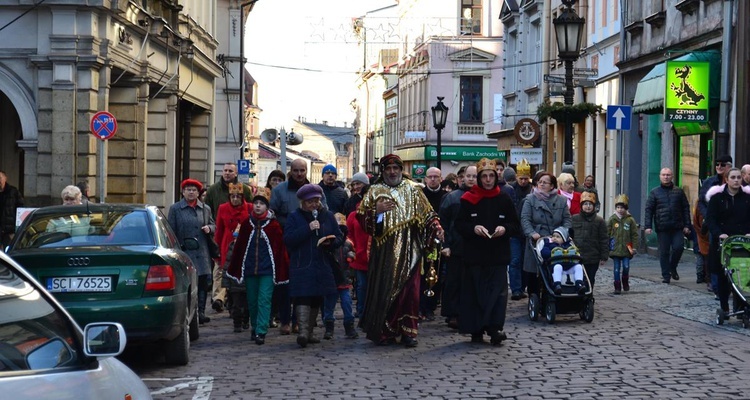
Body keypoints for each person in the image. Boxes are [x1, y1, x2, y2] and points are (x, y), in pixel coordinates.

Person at [357, 154, 443, 347]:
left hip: (411, 248)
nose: (392, 172)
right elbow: (363, 220)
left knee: (410, 293)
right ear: (383, 171)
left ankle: (408, 331)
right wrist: (376, 212)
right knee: (386, 291)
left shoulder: (413, 190)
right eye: (388, 169)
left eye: (396, 168)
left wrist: (436, 226)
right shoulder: (374, 191)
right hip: (384, 251)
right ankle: (386, 332)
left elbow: (428, 214)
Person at [455, 158, 519, 345]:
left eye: (492, 176)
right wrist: (473, 229)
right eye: (485, 176)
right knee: (475, 293)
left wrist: (504, 229)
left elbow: (515, 224)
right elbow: (460, 224)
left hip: (497, 254)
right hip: (475, 254)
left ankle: (494, 328)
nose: (489, 180)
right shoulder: (468, 199)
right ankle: (475, 329)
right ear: (480, 178)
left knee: (497, 295)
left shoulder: (504, 198)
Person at [226, 189, 289, 345]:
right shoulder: (247, 224)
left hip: (267, 270)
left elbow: (280, 250)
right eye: (256, 203)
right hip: (250, 269)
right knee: (252, 301)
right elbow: (240, 247)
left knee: (264, 299)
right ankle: (254, 327)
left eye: (262, 204)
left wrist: (281, 269)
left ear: (267, 207)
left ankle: (261, 330)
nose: (258, 206)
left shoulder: (274, 226)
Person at [284, 183, 341, 348]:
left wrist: (331, 242)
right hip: (302, 263)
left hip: (322, 262)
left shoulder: (327, 216)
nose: (314, 204)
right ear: (302, 202)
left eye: (316, 200)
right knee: (303, 295)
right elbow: (288, 239)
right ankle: (302, 331)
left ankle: (309, 332)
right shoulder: (295, 217)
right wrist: (307, 229)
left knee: (317, 296)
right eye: (310, 201)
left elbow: (339, 236)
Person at [205, 162, 254, 313]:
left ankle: (233, 300)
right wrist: (215, 243)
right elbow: (208, 209)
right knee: (220, 269)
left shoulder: (245, 190)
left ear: (236, 173)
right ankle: (218, 299)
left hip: (242, 241)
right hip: (224, 238)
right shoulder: (213, 190)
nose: (227, 173)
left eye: (230, 171)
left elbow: (252, 208)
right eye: (225, 170)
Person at [167, 178, 215, 324]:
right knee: (187, 282)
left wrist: (209, 228)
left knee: (202, 282)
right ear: (183, 192)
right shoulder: (175, 209)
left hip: (201, 251)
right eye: (188, 189)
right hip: (184, 250)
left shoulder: (205, 209)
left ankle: (200, 312)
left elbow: (214, 225)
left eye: (194, 190)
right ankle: (188, 312)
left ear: (198, 192)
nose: (191, 192)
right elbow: (171, 229)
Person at [705, 168, 750, 318]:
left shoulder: (747, 198)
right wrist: (719, 233)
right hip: (724, 242)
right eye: (733, 177)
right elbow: (710, 219)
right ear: (727, 179)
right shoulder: (717, 199)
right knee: (725, 276)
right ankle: (724, 306)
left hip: (743, 242)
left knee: (742, 275)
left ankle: (741, 307)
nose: (736, 180)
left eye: (738, 177)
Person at [438, 166, 477, 328]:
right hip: (456, 245)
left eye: (474, 176)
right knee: (454, 281)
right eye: (468, 176)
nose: (471, 179)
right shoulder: (452, 197)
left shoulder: (482, 197)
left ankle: (469, 312)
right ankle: (453, 313)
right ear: (462, 177)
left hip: (476, 247)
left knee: (472, 282)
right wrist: (445, 245)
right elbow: (443, 224)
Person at [521, 172, 571, 297]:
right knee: (535, 270)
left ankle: (555, 293)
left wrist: (562, 233)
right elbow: (525, 219)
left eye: (545, 182)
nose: (541, 184)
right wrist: (531, 233)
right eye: (540, 182)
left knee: (556, 265)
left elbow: (567, 219)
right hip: (537, 239)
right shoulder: (530, 199)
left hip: (556, 238)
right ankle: (534, 296)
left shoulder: (561, 200)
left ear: (552, 186)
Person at [644, 167, 691, 284]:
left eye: (668, 175)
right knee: (664, 251)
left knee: (679, 247)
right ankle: (666, 275)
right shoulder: (654, 192)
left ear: (672, 177)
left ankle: (672, 267)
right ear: (660, 176)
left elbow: (685, 208)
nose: (666, 177)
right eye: (664, 175)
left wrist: (687, 225)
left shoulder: (679, 191)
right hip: (662, 226)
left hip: (677, 226)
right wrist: (648, 226)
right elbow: (649, 210)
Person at [322, 213, 358, 340]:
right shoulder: (328, 244)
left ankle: (349, 326)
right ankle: (329, 327)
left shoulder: (348, 243)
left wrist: (351, 256)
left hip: (344, 278)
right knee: (329, 304)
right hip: (332, 279)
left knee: (347, 303)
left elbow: (353, 251)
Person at [420, 166, 446, 321]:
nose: (433, 179)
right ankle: (421, 305)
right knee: (422, 273)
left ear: (441, 178)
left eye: (436, 176)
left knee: (435, 272)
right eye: (430, 177)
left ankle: (431, 306)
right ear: (425, 179)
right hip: (422, 240)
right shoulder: (420, 195)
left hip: (438, 241)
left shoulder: (445, 196)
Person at [571, 191, 609, 288]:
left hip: (593, 256)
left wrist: (604, 256)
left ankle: (588, 296)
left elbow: (604, 239)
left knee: (590, 278)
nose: (588, 207)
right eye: (585, 204)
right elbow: (569, 236)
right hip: (577, 255)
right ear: (581, 205)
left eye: (590, 204)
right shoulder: (574, 219)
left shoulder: (599, 221)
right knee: (578, 278)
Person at [509, 159, 532, 300]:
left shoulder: (532, 189)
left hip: (528, 232)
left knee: (526, 260)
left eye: (525, 179)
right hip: (515, 231)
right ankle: (516, 289)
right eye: (521, 178)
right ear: (517, 177)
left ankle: (523, 286)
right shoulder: (511, 189)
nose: (523, 181)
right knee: (515, 260)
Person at [607, 194, 639, 294]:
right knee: (616, 269)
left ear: (626, 209)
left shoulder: (630, 220)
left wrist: (634, 247)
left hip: (626, 249)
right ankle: (617, 285)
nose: (620, 210)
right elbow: (607, 233)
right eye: (618, 207)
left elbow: (634, 234)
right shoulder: (612, 219)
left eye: (622, 208)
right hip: (615, 249)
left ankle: (625, 280)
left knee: (626, 267)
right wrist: (607, 246)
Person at [539, 226, 585, 295]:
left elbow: (576, 253)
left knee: (578, 267)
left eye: (558, 237)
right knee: (558, 267)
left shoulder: (569, 246)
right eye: (553, 236)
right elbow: (544, 253)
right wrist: (551, 253)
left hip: (569, 266)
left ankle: (579, 284)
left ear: (564, 239)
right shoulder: (549, 245)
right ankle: (557, 285)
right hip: (556, 266)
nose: (554, 238)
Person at [346, 197, 371, 320]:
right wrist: (353, 248)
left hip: (376, 257)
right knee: (362, 286)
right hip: (360, 256)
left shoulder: (380, 212)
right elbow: (349, 234)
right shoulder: (353, 215)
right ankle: (361, 312)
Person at [698, 155, 732, 220]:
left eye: (722, 165)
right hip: (711, 221)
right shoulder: (708, 182)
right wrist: (708, 217)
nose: (719, 167)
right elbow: (701, 202)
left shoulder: (735, 181)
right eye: (717, 164)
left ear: (729, 167)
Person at [0, 171, 24, 247]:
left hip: (9, 230)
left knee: (9, 252)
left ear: (5, 178)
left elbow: (21, 208)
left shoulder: (13, 191)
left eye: (0, 178)